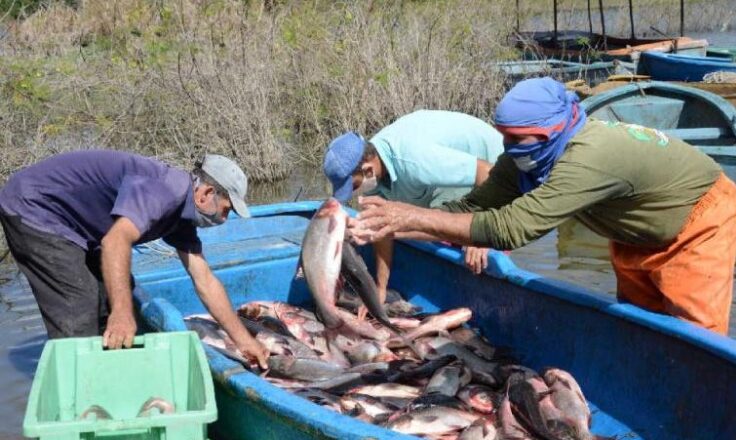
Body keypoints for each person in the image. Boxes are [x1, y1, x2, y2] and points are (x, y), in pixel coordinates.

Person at [349, 78, 736, 335]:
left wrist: (410, 215)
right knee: (644, 328)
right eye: (505, 138)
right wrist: (389, 226)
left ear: (555, 130)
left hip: (697, 222)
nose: (510, 148)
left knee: (696, 338)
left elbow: (515, 228)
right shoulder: (521, 157)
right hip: (633, 230)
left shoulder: (585, 157)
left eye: (521, 139)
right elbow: (470, 207)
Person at [0, 150, 269, 367]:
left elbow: (205, 280)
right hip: (34, 207)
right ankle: (78, 408)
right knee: (80, 308)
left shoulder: (182, 217)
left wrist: (243, 339)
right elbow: (115, 241)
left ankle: (110, 377)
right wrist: (121, 313)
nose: (224, 219)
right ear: (206, 194)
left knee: (114, 298)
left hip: (79, 225)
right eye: (226, 210)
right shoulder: (162, 192)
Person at [323, 110, 504, 306]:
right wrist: (380, 287)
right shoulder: (373, 170)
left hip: (494, 169)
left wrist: (484, 233)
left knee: (479, 252)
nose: (355, 193)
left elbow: (486, 173)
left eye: (354, 186)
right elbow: (381, 232)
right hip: (447, 181)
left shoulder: (415, 160)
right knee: (442, 231)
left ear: (368, 170)